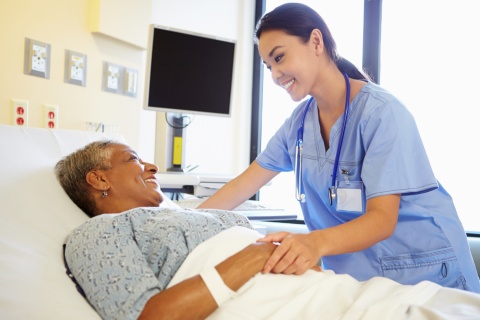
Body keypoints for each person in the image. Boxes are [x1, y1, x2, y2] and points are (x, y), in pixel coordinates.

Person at [198, 2, 480, 293]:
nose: (275, 75)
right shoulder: (298, 125)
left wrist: (314, 243)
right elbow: (242, 186)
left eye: (279, 57)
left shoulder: (383, 114)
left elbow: (382, 220)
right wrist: (189, 221)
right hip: (363, 284)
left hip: (429, 274)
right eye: (268, 66)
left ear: (316, 42)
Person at [56, 140, 480, 320]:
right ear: (98, 179)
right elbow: (149, 317)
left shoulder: (186, 213)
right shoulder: (99, 233)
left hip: (341, 294)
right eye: (133, 158)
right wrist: (255, 256)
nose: (150, 166)